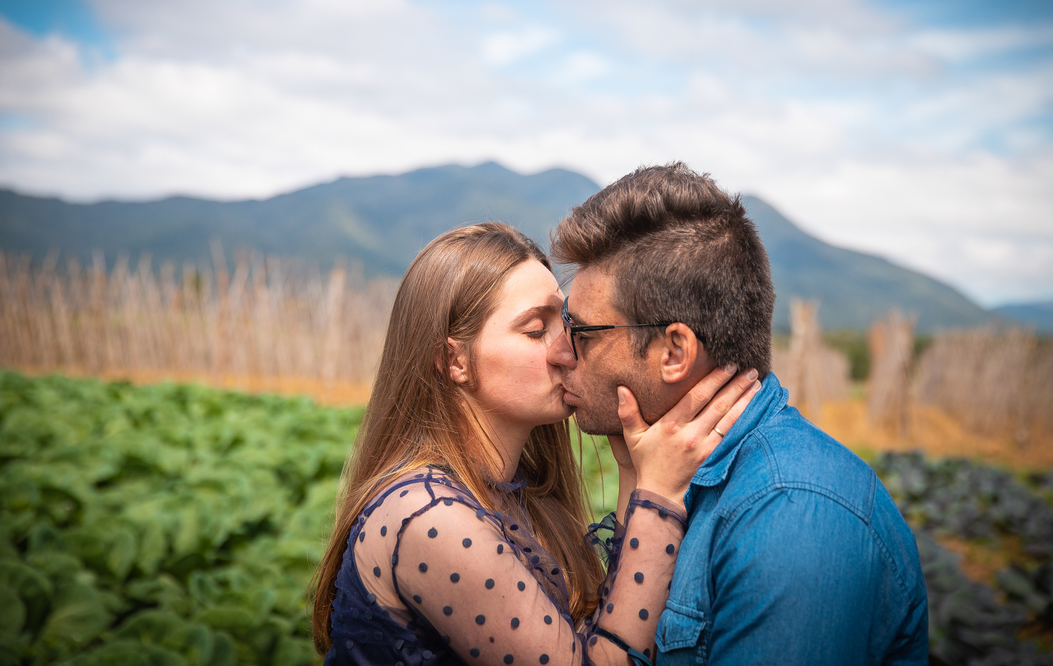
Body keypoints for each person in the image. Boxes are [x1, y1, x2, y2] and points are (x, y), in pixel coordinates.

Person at [311, 222, 762, 665]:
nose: (568, 350)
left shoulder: (519, 496)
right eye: (534, 331)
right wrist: (659, 496)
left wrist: (632, 469)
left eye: (565, 324)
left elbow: (604, 623)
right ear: (454, 360)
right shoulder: (432, 519)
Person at [547, 164, 929, 665]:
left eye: (583, 332)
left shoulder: (790, 520)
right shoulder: (670, 469)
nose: (560, 351)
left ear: (674, 352)